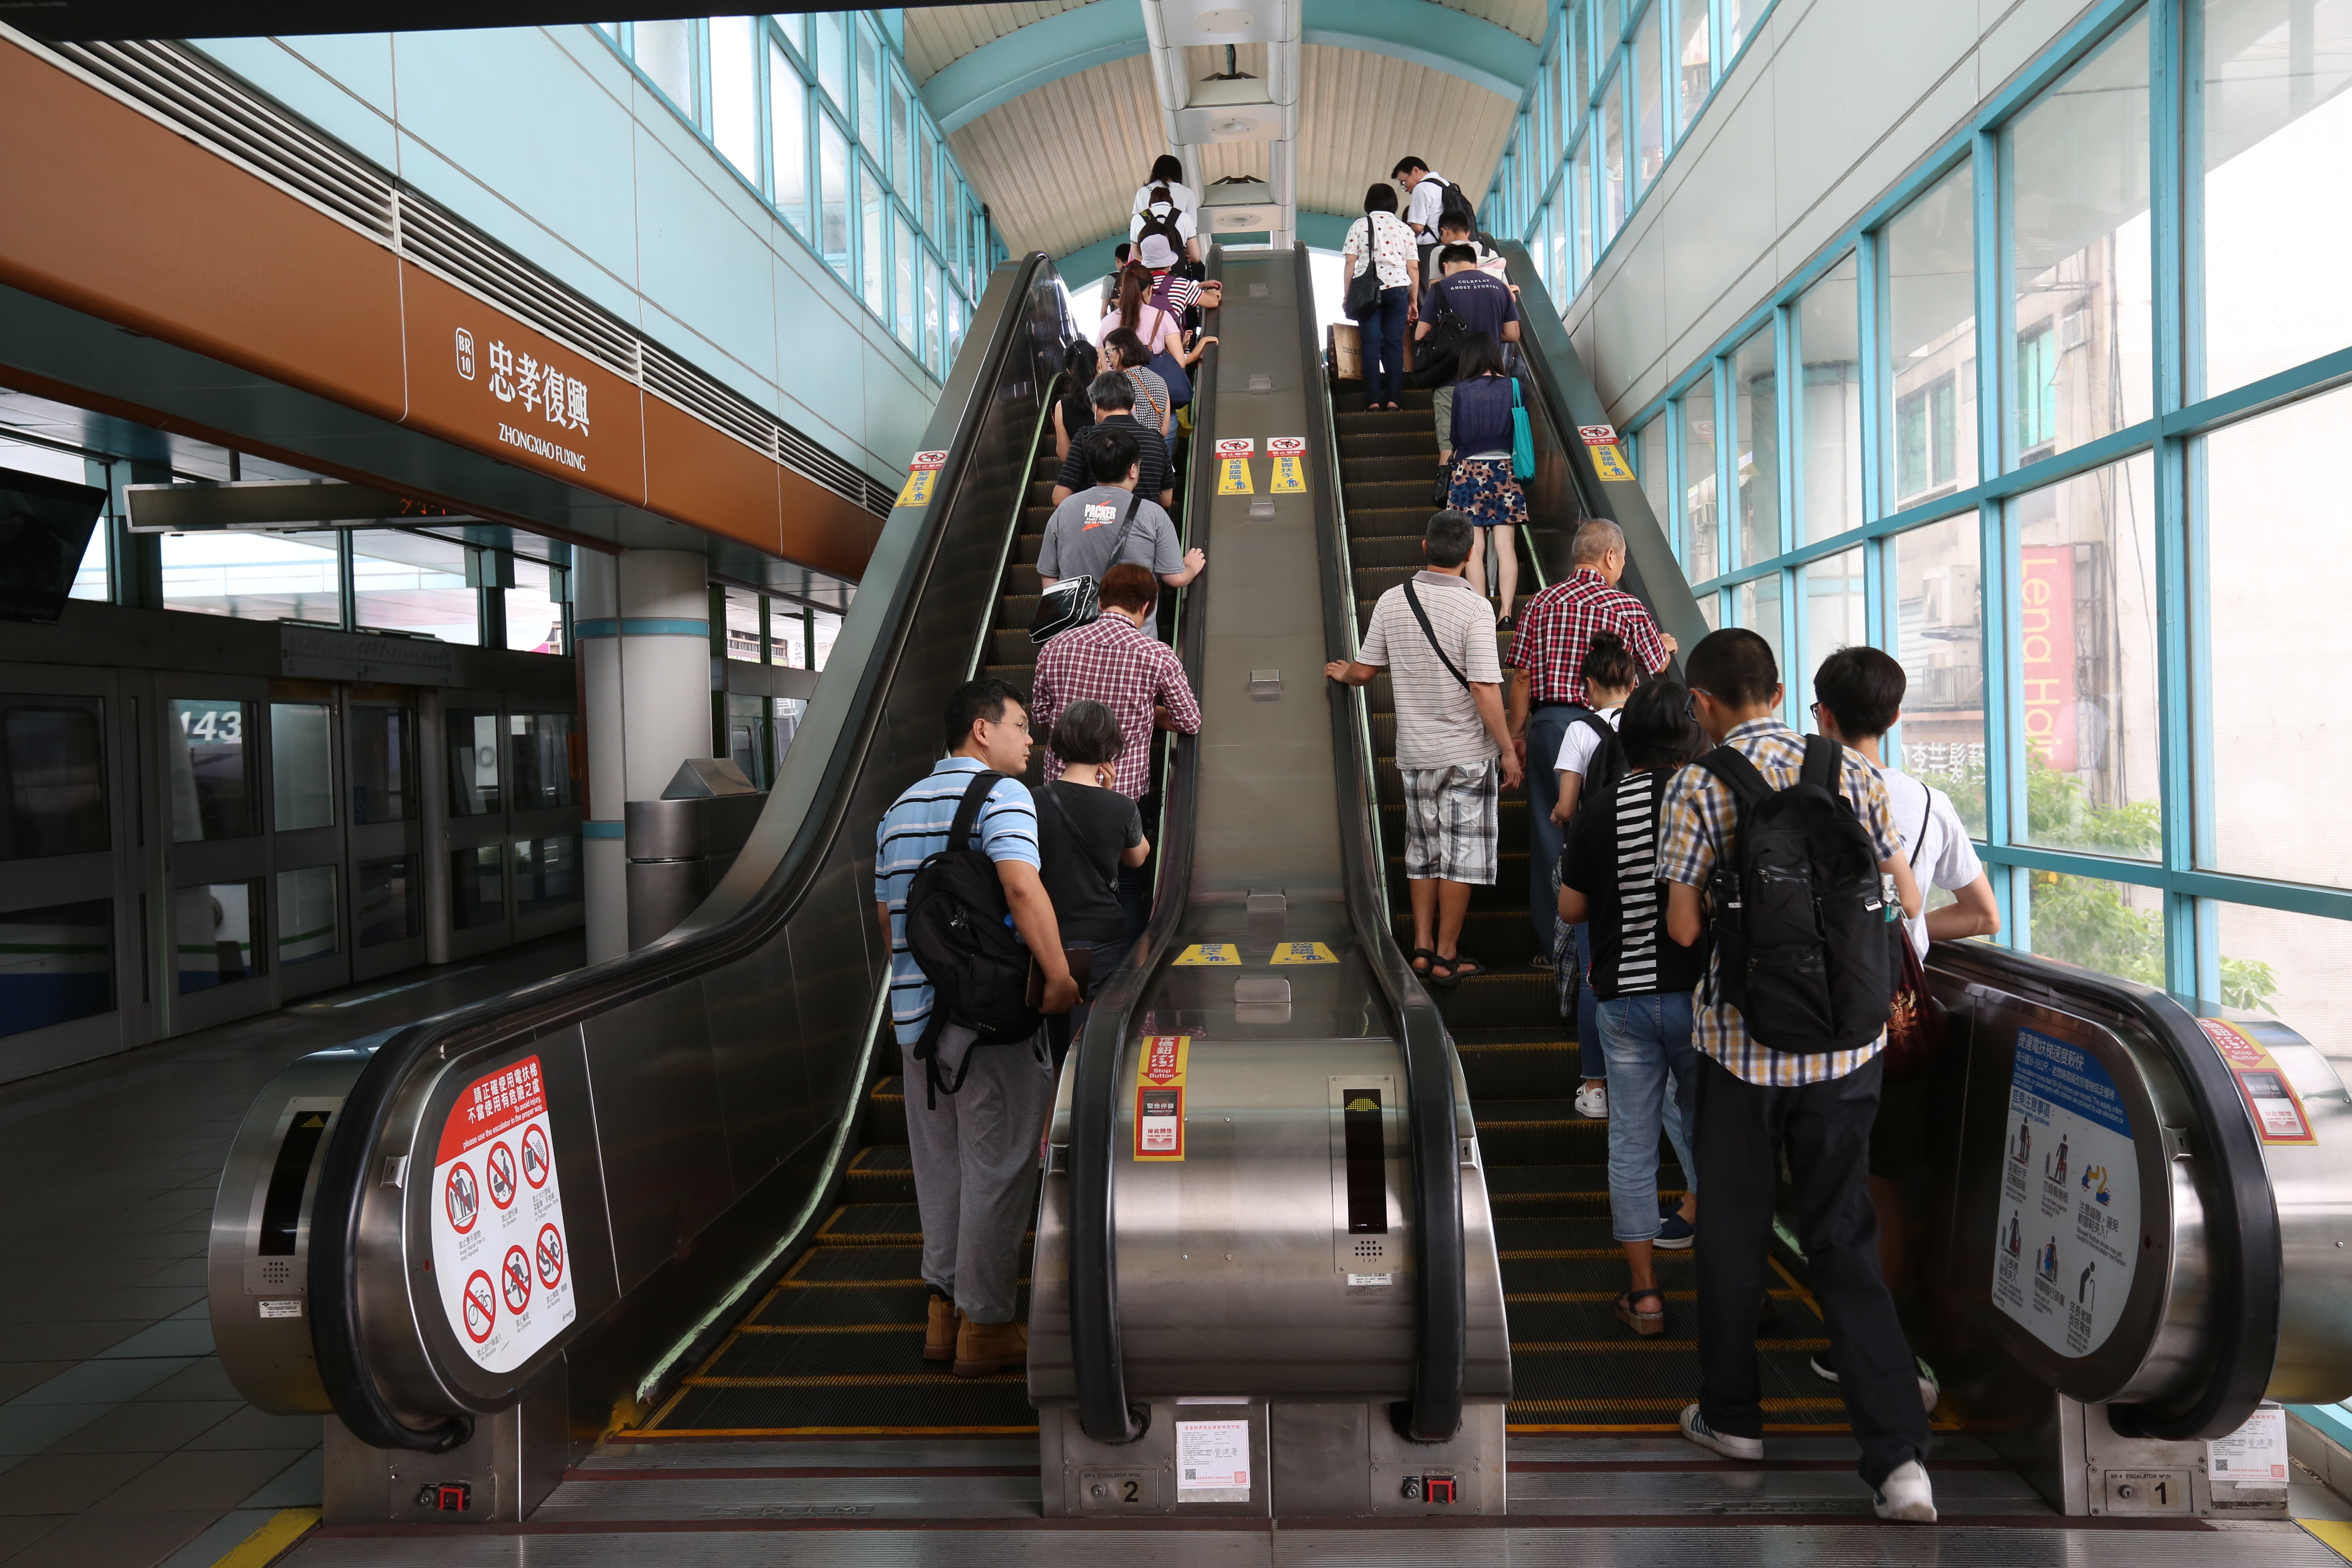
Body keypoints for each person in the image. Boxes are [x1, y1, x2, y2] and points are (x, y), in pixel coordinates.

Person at [1656, 628, 1936, 1524]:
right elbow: (1907, 902)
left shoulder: (1700, 783)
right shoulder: (1853, 773)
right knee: (1843, 1237)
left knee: (1732, 1232)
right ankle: (1899, 1465)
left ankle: (1734, 1418)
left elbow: (1686, 932)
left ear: (1701, 703)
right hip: (1846, 1054)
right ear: (1780, 691)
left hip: (1741, 1053)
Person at [873, 678, 1078, 1379]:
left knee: (941, 1172)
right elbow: (1021, 886)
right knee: (999, 1166)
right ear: (982, 731)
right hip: (988, 1026)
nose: (1031, 739)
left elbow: (888, 925)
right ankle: (986, 1325)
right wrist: (1057, 976)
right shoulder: (1001, 796)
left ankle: (944, 1312)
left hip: (916, 1028)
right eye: (1021, 725)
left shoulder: (897, 809)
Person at [1809, 645, 2000, 1324]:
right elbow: (1983, 913)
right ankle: (1875, 1339)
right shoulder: (1926, 802)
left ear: (1822, 715)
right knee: (1882, 1183)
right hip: (1896, 1017)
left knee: (1825, 1180)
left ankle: (1840, 1323)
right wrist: (1904, 939)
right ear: (1893, 717)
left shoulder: (1799, 793)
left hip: (1813, 1014)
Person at [1557, 677, 1710, 1336]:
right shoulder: (1708, 799)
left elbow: (1570, 909)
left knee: (1633, 1145)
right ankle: (1738, 1284)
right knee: (1717, 1140)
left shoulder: (1601, 806)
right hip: (1704, 1003)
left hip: (1622, 1001)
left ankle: (1645, 1296)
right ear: (1694, 733)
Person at [1325, 510, 1525, 984]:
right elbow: (1483, 688)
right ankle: (1447, 955)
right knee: (1461, 856)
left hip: (1415, 752)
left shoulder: (1394, 600)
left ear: (1423, 547)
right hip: (1465, 755)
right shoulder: (1475, 608)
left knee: (1423, 850)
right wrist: (1508, 750)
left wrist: (1342, 674)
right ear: (1472, 553)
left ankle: (1419, 948)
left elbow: (1366, 670)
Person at [1508, 518, 1675, 994]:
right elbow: (1653, 663)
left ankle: (1550, 946)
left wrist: (1517, 737)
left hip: (1552, 726)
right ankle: (1610, 938)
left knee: (1548, 836)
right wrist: (1664, 646)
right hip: (1614, 733)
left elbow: (1521, 677)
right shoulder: (1626, 605)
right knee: (1615, 828)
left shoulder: (1540, 602)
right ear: (1611, 558)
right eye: (1621, 558)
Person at [1032, 564, 1203, 941]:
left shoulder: (1056, 646)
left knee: (1056, 881)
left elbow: (1043, 715)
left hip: (1057, 794)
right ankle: (1122, 979)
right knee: (1126, 884)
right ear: (1147, 607)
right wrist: (1146, 713)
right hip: (1121, 795)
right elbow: (1189, 721)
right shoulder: (1157, 655)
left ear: (1100, 599)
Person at [1548, 628, 1639, 1119]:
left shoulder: (1580, 731)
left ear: (1587, 685)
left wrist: (1561, 816)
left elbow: (1566, 805)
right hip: (1648, 863)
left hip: (1593, 865)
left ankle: (1595, 1085)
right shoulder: (1649, 728)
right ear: (1634, 680)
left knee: (1592, 975)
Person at [1033, 698, 1152, 1065]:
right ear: (1110, 747)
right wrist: (1119, 797)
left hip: (1049, 936)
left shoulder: (1031, 801)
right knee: (1091, 1034)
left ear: (1062, 742)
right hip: (1103, 936)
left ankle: (1053, 1107)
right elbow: (1137, 857)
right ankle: (1083, 1106)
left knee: (1048, 1032)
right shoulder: (1120, 807)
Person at [1039, 426, 1203, 591]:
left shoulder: (1065, 509)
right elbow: (1175, 578)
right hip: (1132, 617)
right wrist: (1193, 567)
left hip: (1078, 616)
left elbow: (1049, 576)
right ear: (1133, 470)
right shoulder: (1153, 515)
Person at [1443, 332, 1526, 625]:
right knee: (1506, 547)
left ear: (1469, 358)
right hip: (1505, 470)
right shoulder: (1513, 386)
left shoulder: (1462, 391)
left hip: (1469, 473)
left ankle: (1481, 615)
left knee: (1474, 549)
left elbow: (1456, 437)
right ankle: (1506, 613)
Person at [1419, 244, 1521, 477]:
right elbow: (1513, 334)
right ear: (1475, 263)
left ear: (1445, 266)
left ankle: (1450, 494)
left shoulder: (1440, 289)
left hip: (1450, 377)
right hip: (1492, 379)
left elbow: (1421, 335)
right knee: (1491, 442)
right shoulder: (1500, 288)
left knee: (1448, 442)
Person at [1340, 183, 1420, 411]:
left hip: (1367, 292)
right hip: (1398, 289)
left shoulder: (1359, 225)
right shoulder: (1405, 229)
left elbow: (1350, 263)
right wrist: (1413, 301)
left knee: (1370, 345)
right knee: (1395, 344)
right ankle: (1394, 400)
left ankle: (1374, 401)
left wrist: (1348, 296)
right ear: (1393, 204)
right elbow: (1413, 268)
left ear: (1369, 203)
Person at [1051, 374, 1168, 509]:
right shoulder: (1156, 439)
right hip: (1144, 526)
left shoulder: (1085, 438)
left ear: (1097, 405)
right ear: (1131, 403)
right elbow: (1166, 499)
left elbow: (1059, 498)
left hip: (1097, 526)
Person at [1102, 324, 1174, 442]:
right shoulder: (1160, 380)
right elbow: (1164, 431)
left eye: (1108, 352)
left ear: (1123, 349)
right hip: (1157, 450)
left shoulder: (1118, 382)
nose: (1107, 359)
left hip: (1132, 451)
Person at [1391, 155, 1458, 278]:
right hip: (1450, 249)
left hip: (1430, 250)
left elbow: (1417, 227)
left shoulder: (1422, 188)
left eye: (1404, 183)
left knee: (1425, 294)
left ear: (1416, 170)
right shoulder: (1446, 185)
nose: (1405, 189)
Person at [1130, 153, 1200, 263]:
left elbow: (1137, 229)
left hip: (1149, 258)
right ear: (1177, 172)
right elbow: (1192, 229)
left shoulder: (1143, 192)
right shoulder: (1187, 193)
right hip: (1176, 254)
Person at [1053, 339, 1101, 463]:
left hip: (1084, 479)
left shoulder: (1062, 407)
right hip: (1116, 476)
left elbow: (1065, 456)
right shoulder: (1113, 396)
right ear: (1098, 364)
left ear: (1069, 371)